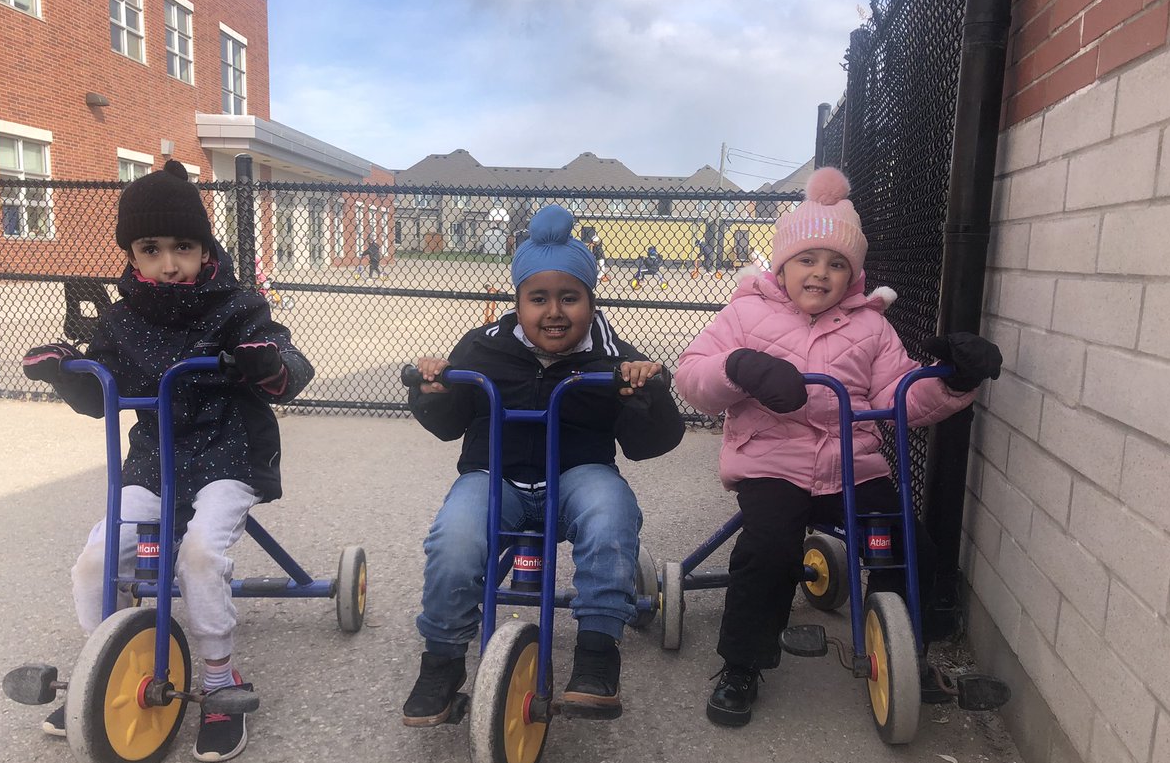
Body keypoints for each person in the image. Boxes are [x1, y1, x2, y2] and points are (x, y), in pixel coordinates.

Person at [676, 168, 1001, 728]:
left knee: (904, 541)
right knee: (769, 550)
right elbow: (693, 377)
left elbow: (900, 396)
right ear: (782, 264)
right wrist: (739, 368)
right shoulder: (745, 314)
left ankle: (906, 650)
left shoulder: (871, 327)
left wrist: (951, 381)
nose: (820, 273)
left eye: (836, 264)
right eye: (807, 259)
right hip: (772, 463)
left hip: (852, 464)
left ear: (854, 274)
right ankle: (742, 663)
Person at [20, 159, 315, 762]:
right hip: (154, 459)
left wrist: (265, 362)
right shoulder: (122, 317)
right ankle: (109, 664)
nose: (169, 263)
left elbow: (289, 367)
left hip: (227, 454)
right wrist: (67, 371)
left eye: (183, 246)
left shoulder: (237, 305)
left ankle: (217, 678)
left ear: (205, 248)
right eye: (151, 249)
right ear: (132, 255)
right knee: (97, 560)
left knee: (200, 556)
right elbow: (102, 393)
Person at [403, 204, 685, 726]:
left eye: (569, 297)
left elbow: (653, 443)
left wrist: (648, 395)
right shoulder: (481, 349)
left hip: (578, 475)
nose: (554, 311)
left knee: (611, 514)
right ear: (516, 302)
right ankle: (441, 660)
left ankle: (598, 653)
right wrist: (434, 388)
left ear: (591, 300)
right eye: (538, 298)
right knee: (454, 538)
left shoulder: (612, 358)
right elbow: (448, 423)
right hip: (494, 476)